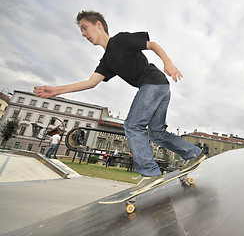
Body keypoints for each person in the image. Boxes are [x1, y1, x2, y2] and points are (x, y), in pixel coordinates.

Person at [33, 10, 206, 194]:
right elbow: (90, 82)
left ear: (99, 25)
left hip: (153, 83)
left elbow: (152, 44)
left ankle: (150, 173)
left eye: (85, 28)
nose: (83, 34)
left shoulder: (120, 40)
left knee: (132, 125)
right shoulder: (106, 61)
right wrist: (56, 90)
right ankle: (194, 154)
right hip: (159, 87)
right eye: (81, 31)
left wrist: (168, 62)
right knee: (155, 133)